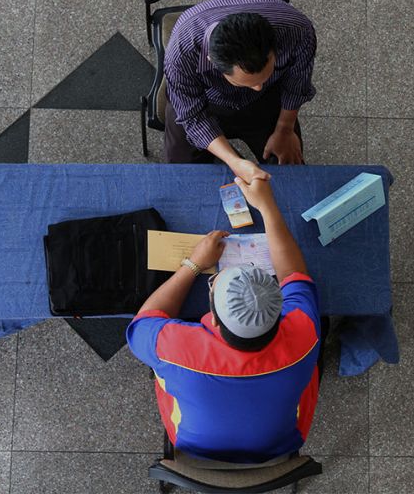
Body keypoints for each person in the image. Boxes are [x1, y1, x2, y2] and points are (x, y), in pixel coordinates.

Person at [126, 177, 322, 464]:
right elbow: (294, 276)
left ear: (213, 321)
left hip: (195, 450)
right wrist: (267, 207)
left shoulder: (177, 348)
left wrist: (193, 265)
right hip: (280, 447)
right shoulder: (304, 332)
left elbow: (142, 323)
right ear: (279, 309)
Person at [163, 0, 317, 183]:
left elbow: (297, 84)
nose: (258, 87)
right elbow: (193, 117)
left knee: (290, 172)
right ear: (213, 63)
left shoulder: (298, 31)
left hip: (266, 101)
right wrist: (233, 161)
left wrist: (285, 128)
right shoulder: (181, 52)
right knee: (183, 177)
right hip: (207, 101)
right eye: (247, 82)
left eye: (264, 77)